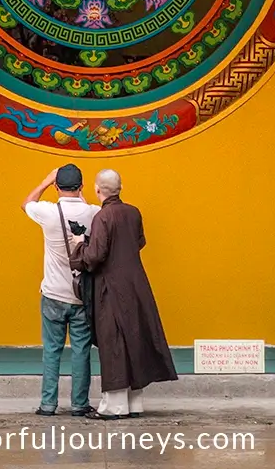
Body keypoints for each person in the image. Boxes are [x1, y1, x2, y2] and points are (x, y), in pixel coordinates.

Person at [80, 167, 178, 419]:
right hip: (136, 284)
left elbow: (96, 255)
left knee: (113, 342)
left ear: (97, 189)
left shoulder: (103, 217)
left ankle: (114, 406)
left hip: (110, 286)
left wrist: (79, 249)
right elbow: (139, 242)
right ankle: (134, 402)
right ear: (120, 188)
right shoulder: (133, 213)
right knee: (134, 338)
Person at [22, 164, 98, 417]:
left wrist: (44, 181)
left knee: (52, 350)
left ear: (56, 187)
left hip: (53, 294)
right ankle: (79, 404)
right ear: (82, 186)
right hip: (80, 295)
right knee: (81, 351)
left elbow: (26, 203)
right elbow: (87, 210)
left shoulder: (48, 212)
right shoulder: (94, 213)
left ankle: (47, 404)